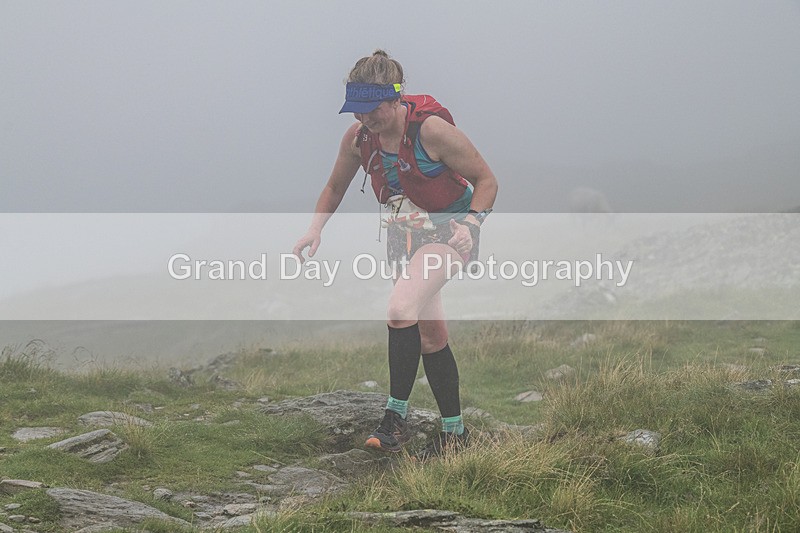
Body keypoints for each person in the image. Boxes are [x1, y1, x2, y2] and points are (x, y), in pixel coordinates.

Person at [292, 50, 498, 459]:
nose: (364, 119)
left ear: (395, 98)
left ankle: (394, 421)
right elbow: (334, 188)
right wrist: (314, 229)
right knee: (430, 334)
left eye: (371, 110)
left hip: (450, 233)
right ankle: (455, 435)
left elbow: (486, 180)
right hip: (401, 238)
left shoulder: (433, 132)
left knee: (401, 309)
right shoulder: (357, 139)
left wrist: (472, 226)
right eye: (356, 111)